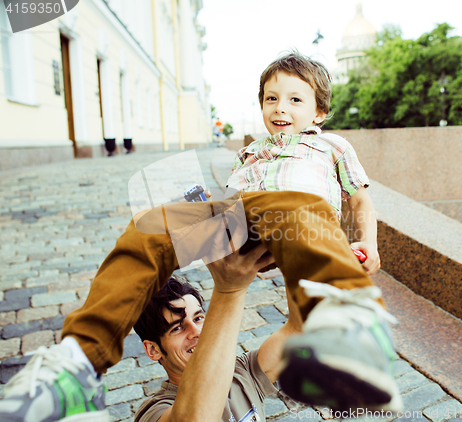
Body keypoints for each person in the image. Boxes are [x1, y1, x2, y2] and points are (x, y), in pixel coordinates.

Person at [0, 51, 401, 422]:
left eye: (296, 100)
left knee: (302, 215)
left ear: (320, 111)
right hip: (242, 216)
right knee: (147, 227)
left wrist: (368, 243)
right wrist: (193, 210)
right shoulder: (251, 151)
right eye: (271, 98)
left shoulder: (332, 145)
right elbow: (227, 197)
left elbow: (360, 200)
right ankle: (78, 360)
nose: (281, 108)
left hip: (299, 217)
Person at [133, 238, 301, 422]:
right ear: (153, 350)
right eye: (178, 327)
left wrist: (294, 258)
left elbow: (300, 330)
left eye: (198, 318)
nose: (197, 332)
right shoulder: (153, 413)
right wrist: (230, 290)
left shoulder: (243, 372)